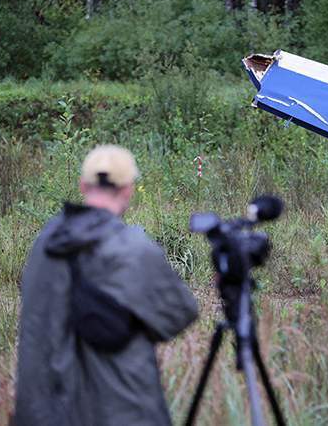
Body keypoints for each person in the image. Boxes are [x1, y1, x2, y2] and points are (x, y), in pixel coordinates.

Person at [14, 145, 198, 426]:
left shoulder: (45, 244)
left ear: (83, 185)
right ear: (128, 190)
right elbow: (179, 314)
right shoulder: (134, 247)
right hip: (122, 409)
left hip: (45, 410)